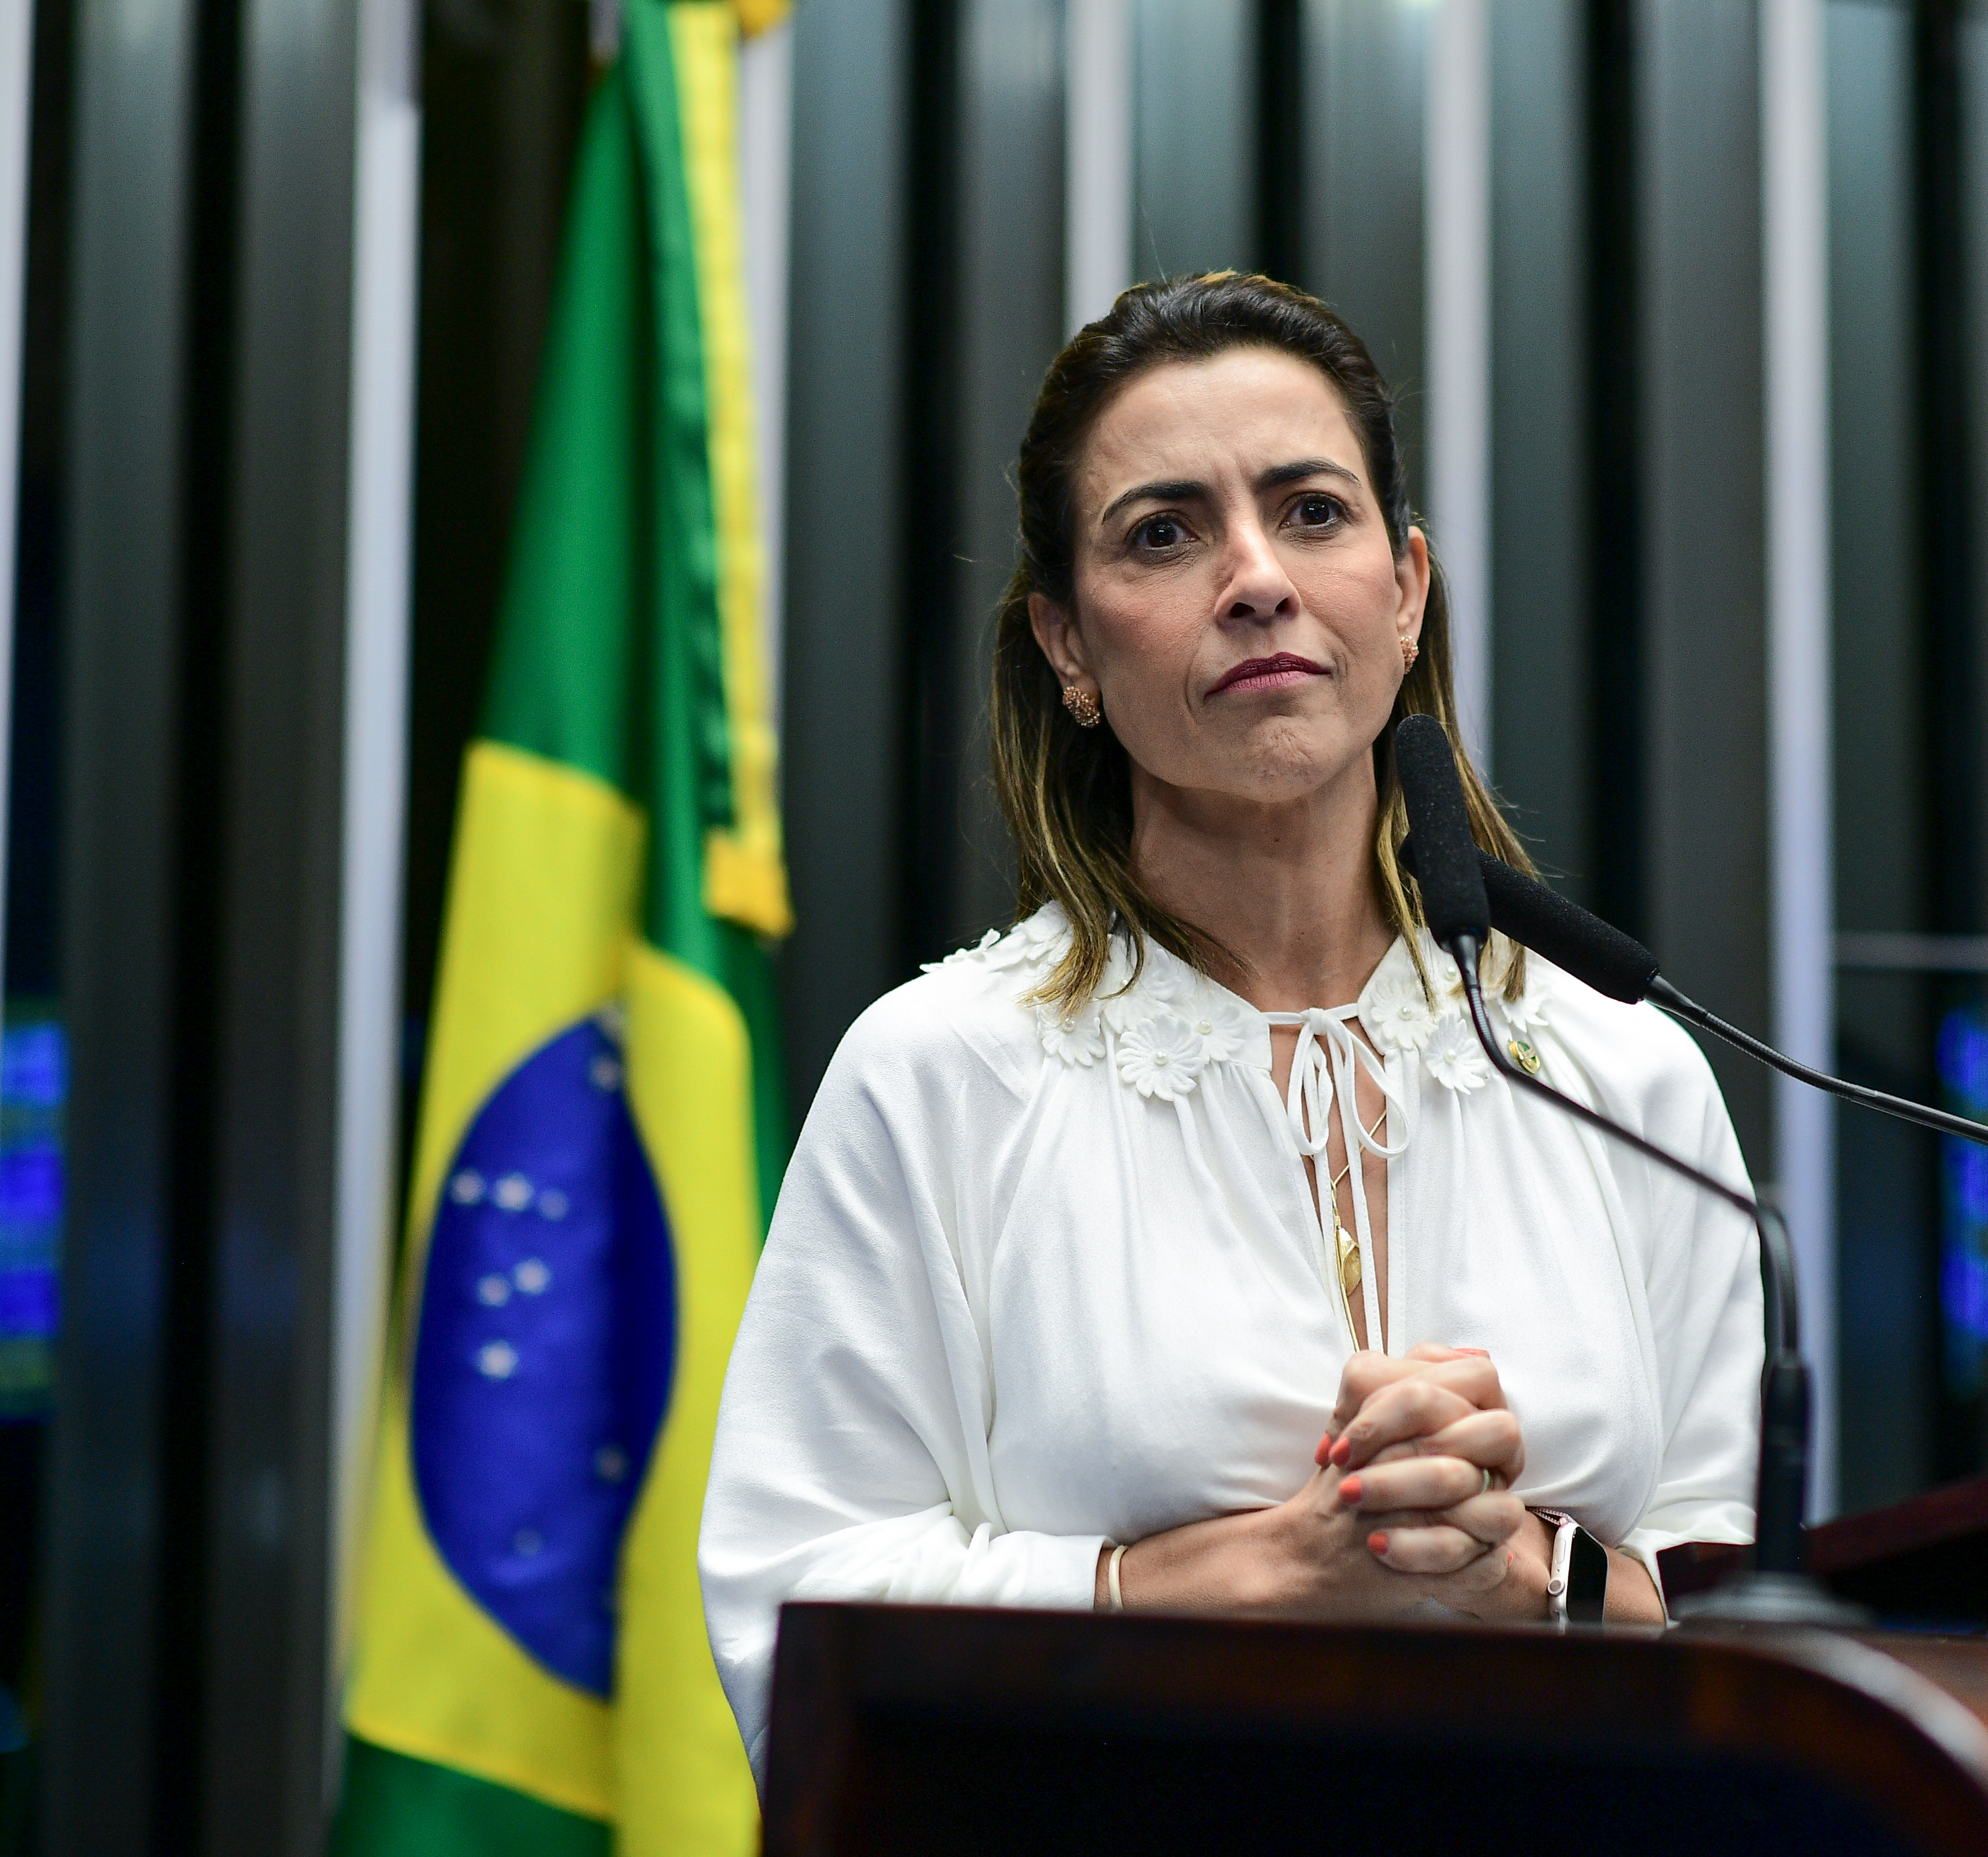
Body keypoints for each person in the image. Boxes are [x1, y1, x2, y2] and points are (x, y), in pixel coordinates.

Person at [697, 271, 1760, 1774]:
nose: (1256, 577)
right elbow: (790, 1607)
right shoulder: (942, 1076)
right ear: (1068, 648)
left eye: (1312, 512)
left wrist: (1522, 1573)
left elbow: (1745, 1622)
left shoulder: (1619, 1068)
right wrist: (1248, 1575)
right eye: (1165, 533)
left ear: (1405, 593)